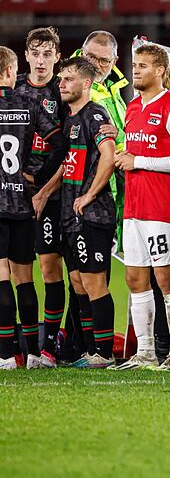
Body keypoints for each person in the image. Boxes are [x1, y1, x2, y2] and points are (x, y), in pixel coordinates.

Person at [109, 44, 170, 371]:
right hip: (133, 208)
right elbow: (133, 151)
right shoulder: (132, 108)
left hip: (160, 209)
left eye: (143, 65)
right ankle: (144, 353)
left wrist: (136, 160)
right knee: (134, 279)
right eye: (134, 65)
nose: (136, 70)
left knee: (166, 279)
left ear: (159, 70)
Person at [0, 47, 68, 370]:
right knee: (25, 279)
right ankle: (31, 353)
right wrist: (37, 176)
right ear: (12, 72)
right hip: (23, 204)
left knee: (1, 278)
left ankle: (5, 355)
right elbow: (60, 144)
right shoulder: (27, 104)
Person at [58, 57, 118, 369]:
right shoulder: (67, 118)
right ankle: (88, 349)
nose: (62, 84)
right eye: (61, 79)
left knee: (95, 283)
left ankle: (104, 352)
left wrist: (89, 195)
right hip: (69, 213)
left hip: (93, 214)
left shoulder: (96, 115)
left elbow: (109, 158)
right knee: (78, 282)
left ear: (86, 84)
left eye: (68, 78)